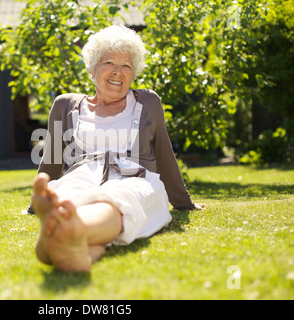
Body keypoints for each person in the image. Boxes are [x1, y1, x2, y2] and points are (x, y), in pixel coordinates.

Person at [30, 25, 204, 273]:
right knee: (69, 192)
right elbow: (52, 159)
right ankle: (81, 249)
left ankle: (65, 233)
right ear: (91, 68)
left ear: (134, 73)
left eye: (126, 66)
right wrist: (39, 197)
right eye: (109, 62)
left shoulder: (148, 102)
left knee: (120, 200)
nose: (118, 72)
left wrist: (183, 203)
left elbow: (164, 154)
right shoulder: (65, 105)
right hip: (81, 175)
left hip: (135, 179)